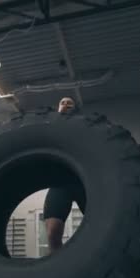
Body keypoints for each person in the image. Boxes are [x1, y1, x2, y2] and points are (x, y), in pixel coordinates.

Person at [43, 96, 85, 253]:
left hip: (84, 182)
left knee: (103, 224)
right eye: (62, 102)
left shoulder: (83, 127)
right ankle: (57, 268)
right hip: (59, 183)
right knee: (52, 232)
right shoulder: (49, 127)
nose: (66, 104)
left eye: (70, 103)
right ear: (58, 107)